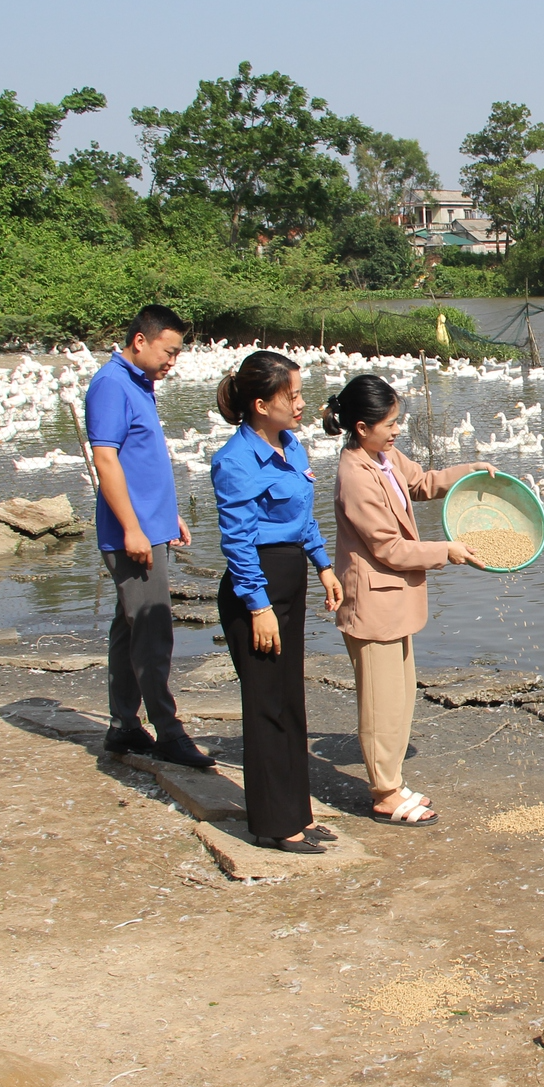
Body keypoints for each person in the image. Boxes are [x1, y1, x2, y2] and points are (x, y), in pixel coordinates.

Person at [322, 374, 490, 827]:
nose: (397, 430)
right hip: (373, 601)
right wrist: (446, 551)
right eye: (389, 423)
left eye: (398, 421)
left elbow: (423, 483)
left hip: (396, 600)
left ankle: (392, 778)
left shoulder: (385, 457)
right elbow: (387, 549)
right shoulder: (355, 476)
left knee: (400, 697)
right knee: (380, 702)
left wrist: (470, 471)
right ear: (361, 427)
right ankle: (383, 793)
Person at [211, 351, 343, 853]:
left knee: (291, 699)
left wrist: (323, 565)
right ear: (263, 404)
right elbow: (238, 541)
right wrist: (258, 606)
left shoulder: (293, 447)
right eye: (294, 396)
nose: (303, 404)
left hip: (289, 577)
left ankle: (297, 812)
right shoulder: (236, 460)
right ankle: (272, 822)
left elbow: (303, 518)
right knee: (265, 704)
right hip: (258, 586)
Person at [86, 303, 213, 770]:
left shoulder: (139, 383)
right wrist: (133, 529)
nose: (172, 362)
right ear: (141, 340)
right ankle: (168, 731)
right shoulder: (110, 384)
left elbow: (142, 460)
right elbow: (106, 461)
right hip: (130, 535)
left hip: (149, 527)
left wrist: (167, 515)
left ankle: (124, 726)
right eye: (169, 351)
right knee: (154, 631)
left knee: (129, 629)